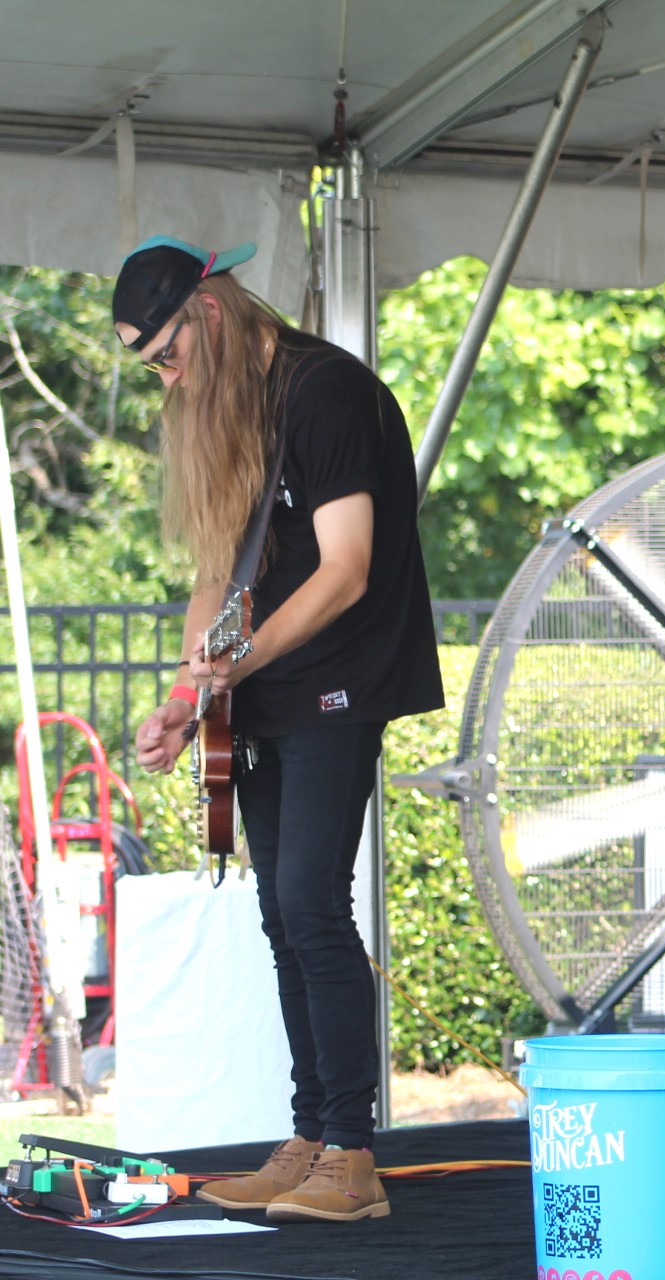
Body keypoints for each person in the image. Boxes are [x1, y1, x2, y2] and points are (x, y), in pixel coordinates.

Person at [121, 235, 444, 1223]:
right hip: (264, 690)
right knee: (281, 913)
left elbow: (347, 566)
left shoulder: (325, 391)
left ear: (210, 312)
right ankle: (310, 1135)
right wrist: (189, 697)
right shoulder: (227, 404)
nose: (168, 377)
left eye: (169, 353)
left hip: (341, 681)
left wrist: (241, 659)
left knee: (311, 903)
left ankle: (352, 1154)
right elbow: (218, 571)